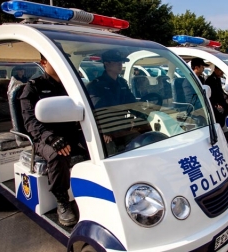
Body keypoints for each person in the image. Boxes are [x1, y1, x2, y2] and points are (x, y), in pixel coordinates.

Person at [19, 54, 87, 227]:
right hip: (44, 139)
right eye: (54, 60)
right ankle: (62, 200)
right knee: (58, 155)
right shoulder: (33, 87)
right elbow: (29, 122)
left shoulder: (70, 86)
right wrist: (50, 137)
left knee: (101, 145)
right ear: (43, 63)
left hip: (71, 133)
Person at [87, 49, 146, 153]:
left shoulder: (122, 83)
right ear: (106, 64)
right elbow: (97, 111)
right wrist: (104, 130)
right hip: (106, 129)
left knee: (142, 141)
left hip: (122, 126)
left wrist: (144, 117)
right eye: (117, 62)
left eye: (121, 62)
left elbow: (132, 104)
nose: (120, 65)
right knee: (109, 151)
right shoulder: (96, 86)